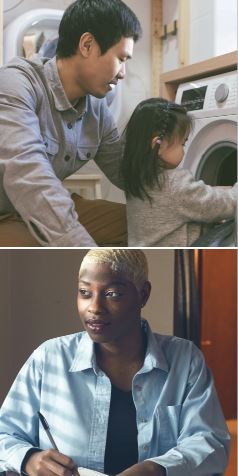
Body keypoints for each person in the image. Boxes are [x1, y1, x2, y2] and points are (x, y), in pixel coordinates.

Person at [0, 249, 230, 476]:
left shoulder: (185, 359)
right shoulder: (48, 358)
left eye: (112, 294)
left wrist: (157, 469)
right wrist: (28, 458)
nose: (95, 308)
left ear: (143, 294)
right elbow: (4, 434)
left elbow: (211, 444)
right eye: (84, 292)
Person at [0, 0, 142, 247]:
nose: (123, 73)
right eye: (121, 58)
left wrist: (187, 194)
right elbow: (29, 178)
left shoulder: (98, 110)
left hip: (43, 207)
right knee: (47, 250)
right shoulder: (17, 84)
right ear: (87, 45)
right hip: (7, 213)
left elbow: (127, 174)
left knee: (146, 224)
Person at [120, 98, 238, 247]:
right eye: (183, 143)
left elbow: (190, 199)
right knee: (231, 221)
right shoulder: (175, 183)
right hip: (188, 250)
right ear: (160, 145)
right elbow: (224, 205)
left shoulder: (137, 179)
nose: (183, 149)